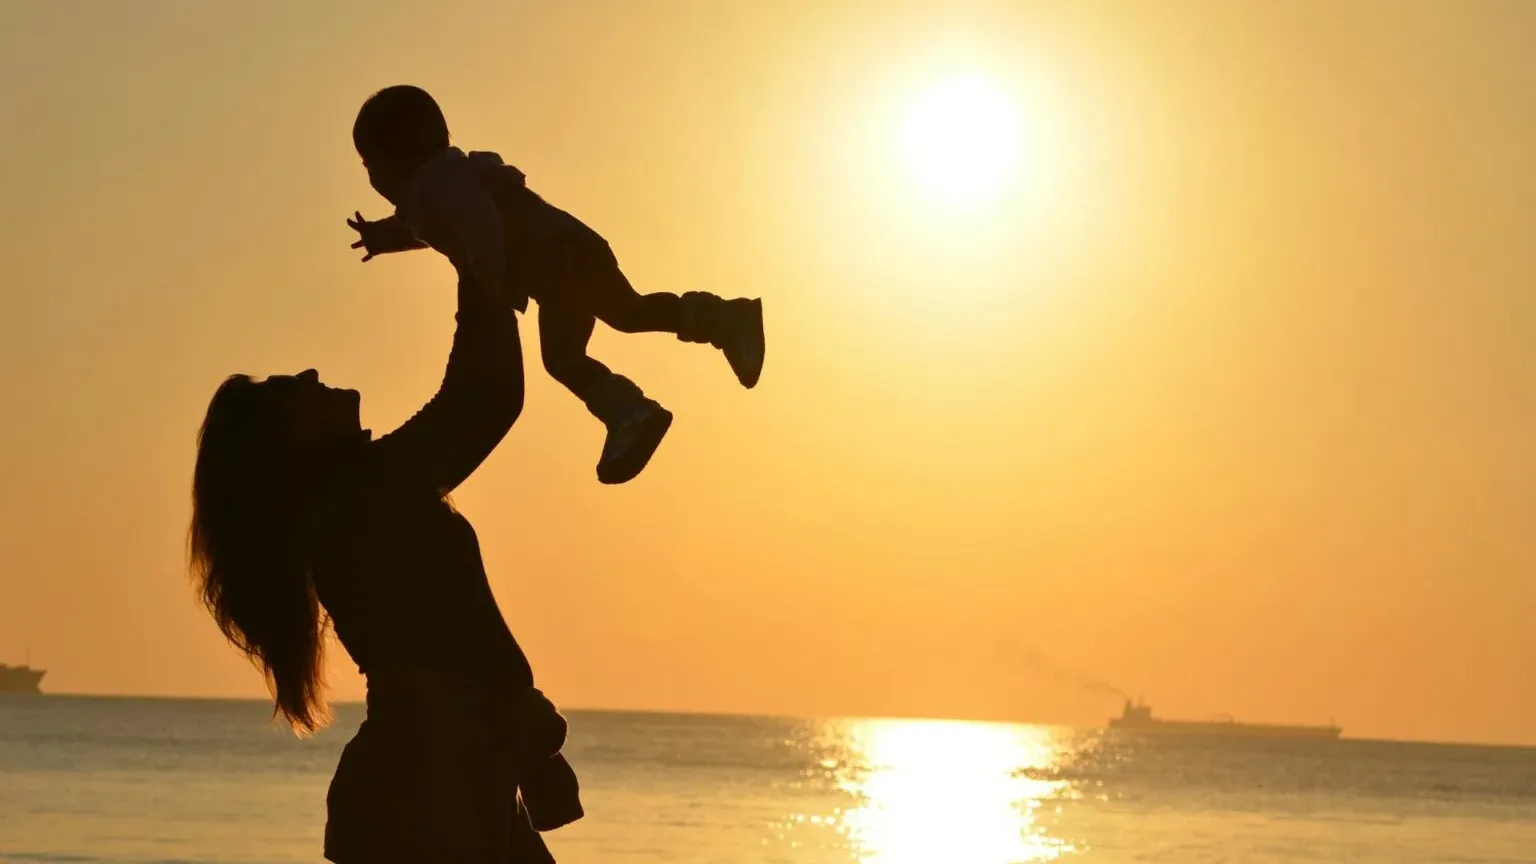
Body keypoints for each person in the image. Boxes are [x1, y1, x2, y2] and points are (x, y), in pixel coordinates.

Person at [189, 267, 577, 863]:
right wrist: (476, 255)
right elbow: (484, 397)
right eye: (292, 390)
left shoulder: (357, 496)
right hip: (426, 784)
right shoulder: (361, 495)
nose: (313, 374)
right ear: (288, 445)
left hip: (447, 772)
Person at [346, 84, 765, 485]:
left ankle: (633, 412)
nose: (372, 179)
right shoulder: (442, 183)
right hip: (565, 253)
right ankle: (719, 323)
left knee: (570, 354)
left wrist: (487, 273)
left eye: (370, 165)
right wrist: (382, 238)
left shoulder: (439, 184)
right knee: (627, 313)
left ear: (395, 159)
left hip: (556, 261)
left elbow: (476, 218)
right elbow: (422, 228)